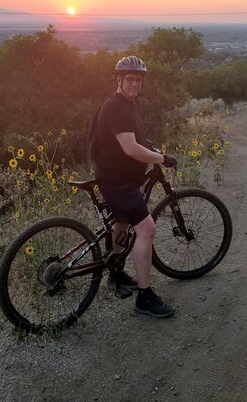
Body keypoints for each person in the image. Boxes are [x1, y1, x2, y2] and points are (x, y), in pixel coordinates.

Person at [91, 55, 177, 318]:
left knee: (122, 223)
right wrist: (162, 158)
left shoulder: (127, 105)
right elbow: (130, 148)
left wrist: (150, 148)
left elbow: (135, 138)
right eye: (129, 78)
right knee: (147, 230)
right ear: (119, 80)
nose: (134, 84)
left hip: (118, 178)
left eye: (138, 79)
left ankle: (116, 274)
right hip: (118, 182)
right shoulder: (115, 106)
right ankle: (145, 296)